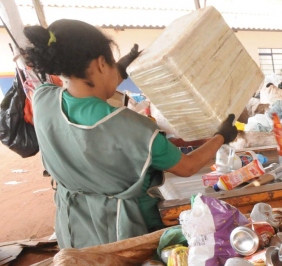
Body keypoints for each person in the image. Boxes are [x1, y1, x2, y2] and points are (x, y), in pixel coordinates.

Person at [20, 20, 237, 249]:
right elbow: (188, 167)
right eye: (112, 63)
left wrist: (120, 69)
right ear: (101, 63)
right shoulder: (132, 127)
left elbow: (85, 100)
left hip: (73, 223)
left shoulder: (43, 100)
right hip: (120, 229)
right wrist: (221, 137)